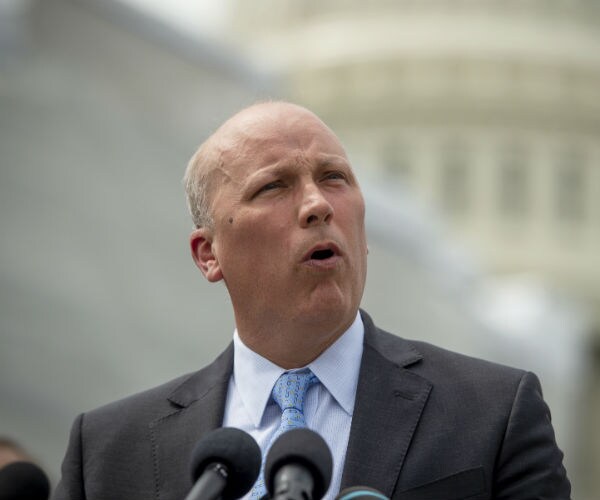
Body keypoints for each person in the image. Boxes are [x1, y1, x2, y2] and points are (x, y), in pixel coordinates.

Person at [52, 101, 570, 499]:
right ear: (209, 253)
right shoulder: (106, 452)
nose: (318, 205)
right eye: (273, 187)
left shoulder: (493, 414)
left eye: (333, 178)